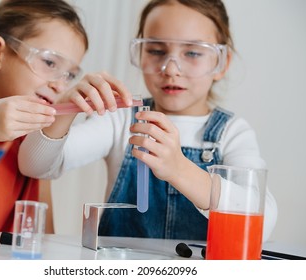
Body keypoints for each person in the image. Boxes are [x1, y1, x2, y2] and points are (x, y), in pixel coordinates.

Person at [18, 0, 278, 241]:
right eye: (156, 50)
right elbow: (36, 166)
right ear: (140, 54)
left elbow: (261, 220)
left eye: (193, 53)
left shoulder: (231, 133)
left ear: (221, 63)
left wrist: (179, 169)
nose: (172, 69)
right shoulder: (120, 121)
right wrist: (67, 107)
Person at [0, 0, 132, 232]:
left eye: (69, 75)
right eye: (50, 62)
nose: (59, 85)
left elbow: (46, 242)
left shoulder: (36, 149)